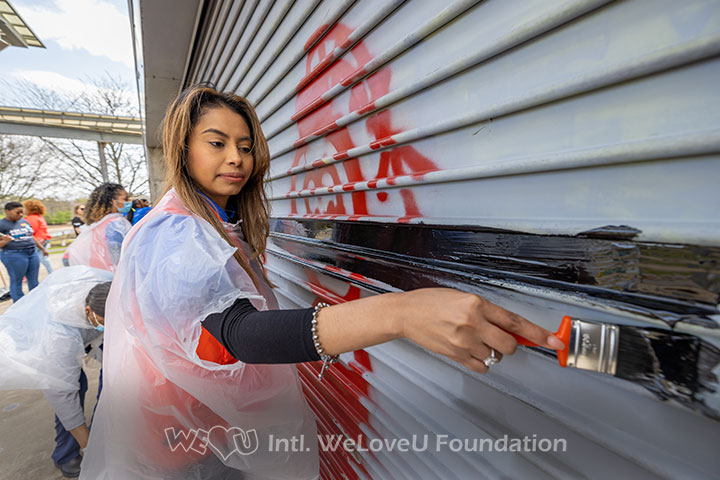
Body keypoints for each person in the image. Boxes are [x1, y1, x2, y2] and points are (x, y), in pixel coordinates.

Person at [81, 86, 564, 479]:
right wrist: (400, 313)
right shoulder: (177, 231)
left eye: (245, 147)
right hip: (181, 442)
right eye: (216, 142)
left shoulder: (211, 221)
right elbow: (238, 334)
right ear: (182, 148)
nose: (236, 158)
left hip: (202, 426)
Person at [0, 266, 112, 478]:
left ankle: (105, 432)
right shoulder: (59, 337)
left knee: (115, 377)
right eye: (106, 323)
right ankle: (67, 454)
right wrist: (89, 449)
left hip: (84, 316)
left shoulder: (111, 288)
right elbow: (61, 395)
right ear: (88, 312)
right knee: (73, 388)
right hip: (47, 334)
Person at [66, 184, 132, 272]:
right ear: (113, 201)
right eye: (125, 198)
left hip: (99, 274)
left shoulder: (97, 224)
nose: (129, 201)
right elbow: (122, 258)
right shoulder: (116, 224)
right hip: (114, 277)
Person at [0, 201, 49, 302]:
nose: (21, 214)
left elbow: (31, 236)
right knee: (17, 280)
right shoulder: (2, 224)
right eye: (18, 212)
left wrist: (42, 248)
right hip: (14, 254)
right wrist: (5, 241)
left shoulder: (24, 222)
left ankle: (34, 302)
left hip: (31, 252)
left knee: (33, 279)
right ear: (7, 211)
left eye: (22, 212)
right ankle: (19, 303)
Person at [23, 199, 54, 274]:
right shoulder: (39, 217)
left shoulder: (31, 218)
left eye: (25, 208)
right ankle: (51, 272)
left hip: (39, 240)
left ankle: (27, 274)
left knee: (31, 257)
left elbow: (31, 231)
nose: (24, 210)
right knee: (42, 257)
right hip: (45, 238)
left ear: (30, 209)